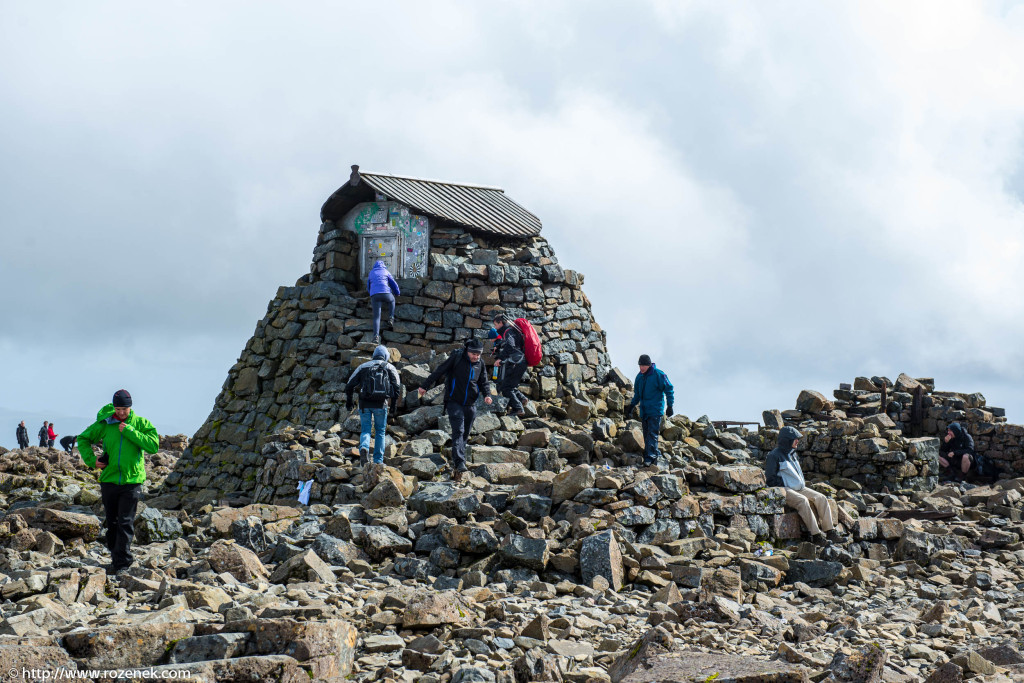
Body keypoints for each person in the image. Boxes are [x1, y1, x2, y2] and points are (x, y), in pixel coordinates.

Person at [77, 390, 159, 575]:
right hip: (109, 480)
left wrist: (130, 431)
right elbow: (82, 438)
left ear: (131, 407)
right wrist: (92, 461)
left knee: (125, 522)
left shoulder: (140, 423)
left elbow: (153, 446)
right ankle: (116, 559)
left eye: (125, 409)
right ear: (114, 407)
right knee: (112, 523)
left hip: (132, 481)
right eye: (118, 408)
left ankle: (123, 563)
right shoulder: (106, 423)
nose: (122, 413)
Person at [417, 338, 493, 483]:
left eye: (478, 354)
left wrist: (487, 395)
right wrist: (425, 386)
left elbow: (483, 382)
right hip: (454, 402)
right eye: (473, 354)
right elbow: (439, 370)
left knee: (465, 433)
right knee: (458, 430)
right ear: (467, 351)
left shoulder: (480, 364)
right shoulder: (457, 358)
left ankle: (459, 458)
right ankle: (459, 462)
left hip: (470, 404)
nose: (476, 357)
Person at [765, 426, 841, 544]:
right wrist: (787, 485)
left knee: (821, 498)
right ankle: (816, 535)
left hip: (799, 488)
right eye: (795, 439)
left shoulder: (793, 454)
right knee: (803, 501)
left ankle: (830, 531)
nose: (798, 441)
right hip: (784, 490)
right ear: (787, 440)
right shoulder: (773, 456)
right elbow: (770, 479)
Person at [345, 344, 401, 467]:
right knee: (380, 431)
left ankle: (364, 448)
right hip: (381, 405)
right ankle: (378, 461)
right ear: (386, 356)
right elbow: (397, 387)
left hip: (364, 404)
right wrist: (393, 406)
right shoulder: (390, 367)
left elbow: (349, 385)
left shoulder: (363, 366)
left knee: (366, 429)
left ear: (374, 355)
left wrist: (349, 401)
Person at [625, 354, 675, 466]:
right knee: (646, 434)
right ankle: (653, 454)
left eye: (643, 365)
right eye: (640, 365)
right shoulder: (639, 377)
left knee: (652, 434)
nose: (641, 368)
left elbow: (669, 389)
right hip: (644, 411)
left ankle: (650, 458)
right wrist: (631, 406)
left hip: (655, 410)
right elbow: (637, 394)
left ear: (649, 365)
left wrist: (670, 406)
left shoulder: (659, 375)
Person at [490, 313, 530, 417]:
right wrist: (498, 346)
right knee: (510, 385)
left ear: (500, 322)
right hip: (521, 361)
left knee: (506, 388)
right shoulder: (513, 331)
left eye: (495, 325)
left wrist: (500, 358)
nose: (495, 327)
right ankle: (522, 399)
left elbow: (510, 346)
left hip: (516, 363)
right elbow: (513, 344)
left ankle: (518, 408)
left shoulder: (508, 331)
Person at [367, 260, 400, 344]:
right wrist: (397, 293)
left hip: (375, 295)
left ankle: (376, 337)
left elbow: (368, 286)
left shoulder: (371, 273)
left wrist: (371, 293)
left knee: (376, 317)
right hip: (386, 293)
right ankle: (391, 317)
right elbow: (393, 283)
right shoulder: (386, 271)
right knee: (392, 300)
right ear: (383, 265)